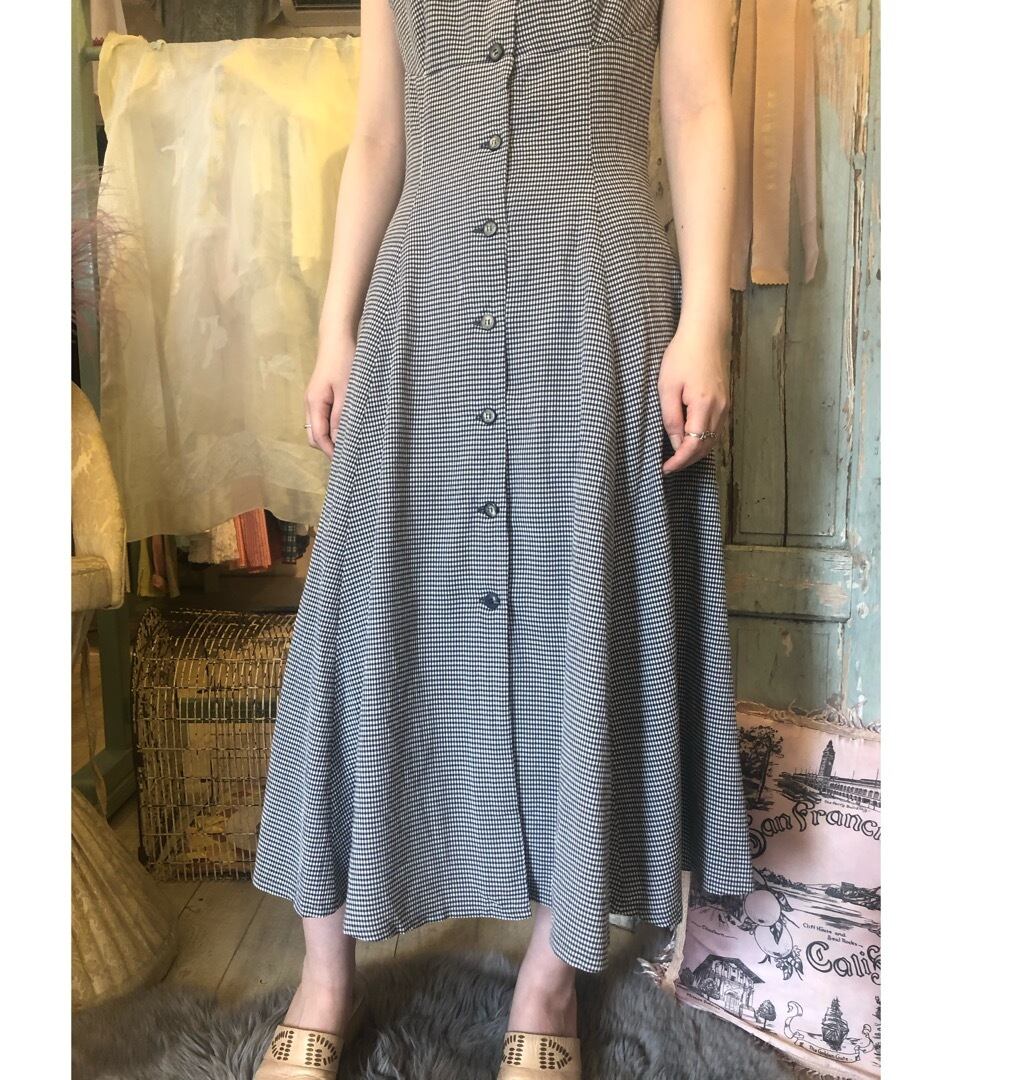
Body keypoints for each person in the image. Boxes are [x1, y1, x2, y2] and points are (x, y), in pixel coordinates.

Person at [251, 1, 752, 1077]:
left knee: (590, 617)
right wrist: (336, 324)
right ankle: (325, 975)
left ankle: (549, 977)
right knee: (363, 619)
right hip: (423, 297)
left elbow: (698, 100)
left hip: (598, 292)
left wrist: (705, 317)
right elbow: (378, 129)